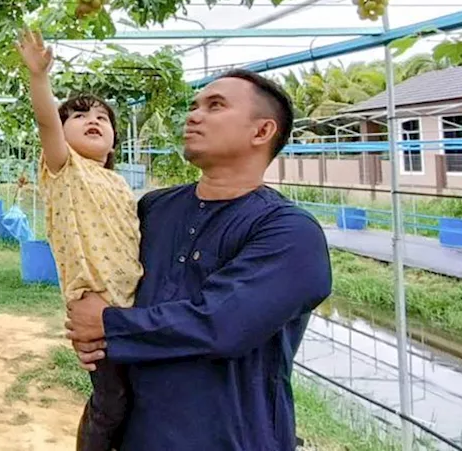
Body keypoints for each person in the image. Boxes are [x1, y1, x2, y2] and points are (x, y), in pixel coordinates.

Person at [65, 70, 332, 450]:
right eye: (193, 106)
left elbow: (222, 325)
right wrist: (90, 325)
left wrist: (108, 325)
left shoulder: (290, 232)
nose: (193, 116)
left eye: (215, 106)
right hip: (135, 433)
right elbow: (112, 278)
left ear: (261, 132)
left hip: (228, 437)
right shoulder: (155, 208)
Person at [17, 31, 142, 451]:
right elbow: (46, 121)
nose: (92, 119)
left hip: (137, 309)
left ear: (112, 142)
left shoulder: (121, 184)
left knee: (138, 400)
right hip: (96, 309)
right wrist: (39, 78)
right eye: (79, 116)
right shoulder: (64, 169)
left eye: (102, 118)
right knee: (112, 402)